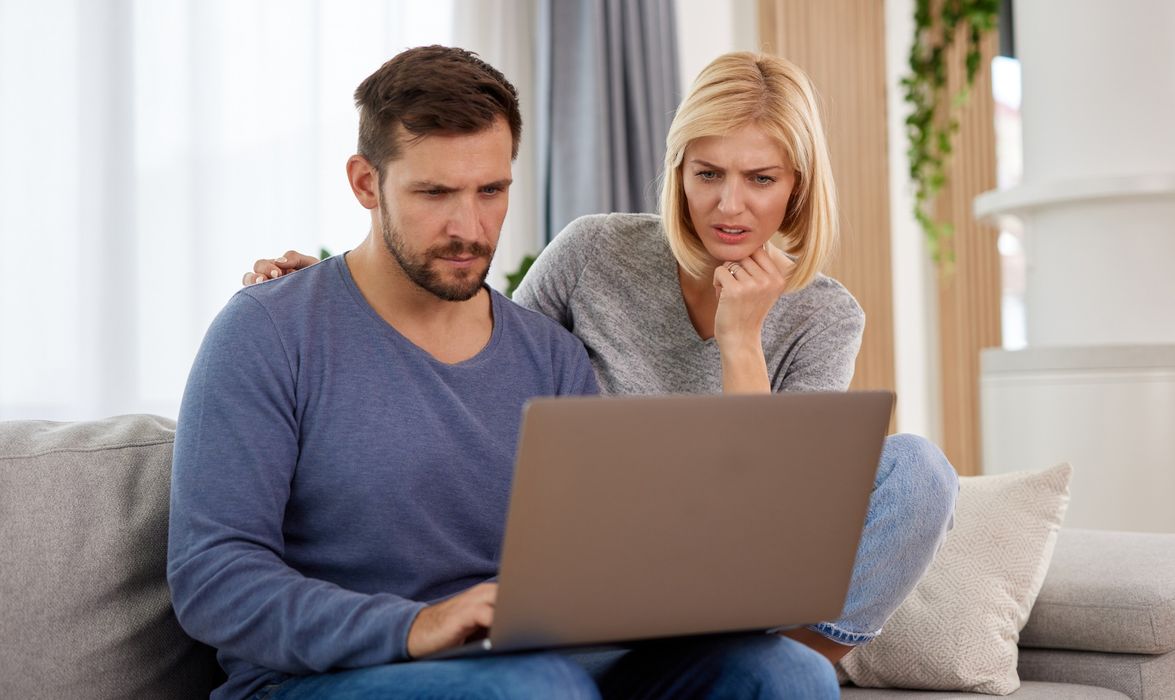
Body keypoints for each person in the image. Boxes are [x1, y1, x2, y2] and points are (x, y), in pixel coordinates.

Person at [171, 45, 840, 700]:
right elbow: (213, 578)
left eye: (491, 191)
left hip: (531, 661)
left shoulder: (549, 356)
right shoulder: (267, 332)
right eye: (435, 192)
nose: (469, 227)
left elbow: (601, 555)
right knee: (532, 687)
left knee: (782, 674)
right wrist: (417, 626)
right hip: (327, 677)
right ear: (365, 182)